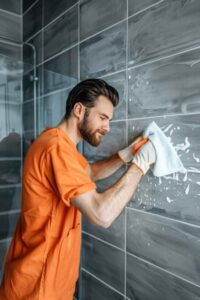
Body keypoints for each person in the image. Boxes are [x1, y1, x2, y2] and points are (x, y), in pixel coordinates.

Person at [0, 79, 156, 300]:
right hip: (37, 288)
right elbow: (100, 214)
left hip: (45, 281)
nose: (107, 127)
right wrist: (140, 165)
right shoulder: (56, 149)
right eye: (102, 118)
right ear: (79, 109)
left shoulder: (58, 143)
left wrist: (125, 155)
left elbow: (89, 172)